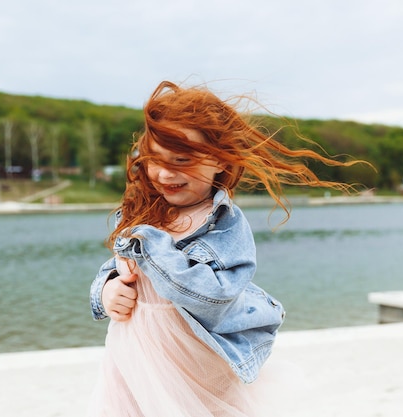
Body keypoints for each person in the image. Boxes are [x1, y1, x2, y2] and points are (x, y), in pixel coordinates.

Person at [88, 80, 361, 416]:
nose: (164, 173)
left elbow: (215, 298)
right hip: (131, 356)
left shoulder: (222, 223)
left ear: (219, 160)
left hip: (190, 362)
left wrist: (152, 247)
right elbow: (117, 267)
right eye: (154, 159)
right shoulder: (146, 212)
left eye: (182, 159)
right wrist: (106, 290)